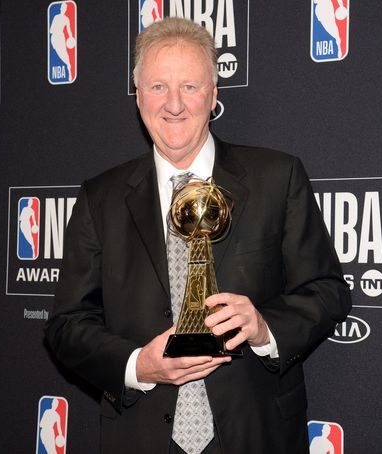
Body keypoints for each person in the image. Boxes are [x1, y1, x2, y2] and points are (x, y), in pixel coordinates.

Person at [45, 17, 351, 454]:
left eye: (189, 86)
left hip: (257, 433)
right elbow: (67, 325)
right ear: (137, 98)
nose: (173, 104)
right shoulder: (100, 198)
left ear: (214, 95)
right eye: (157, 87)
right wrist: (139, 366)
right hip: (142, 434)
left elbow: (327, 291)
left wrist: (265, 327)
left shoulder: (277, 178)